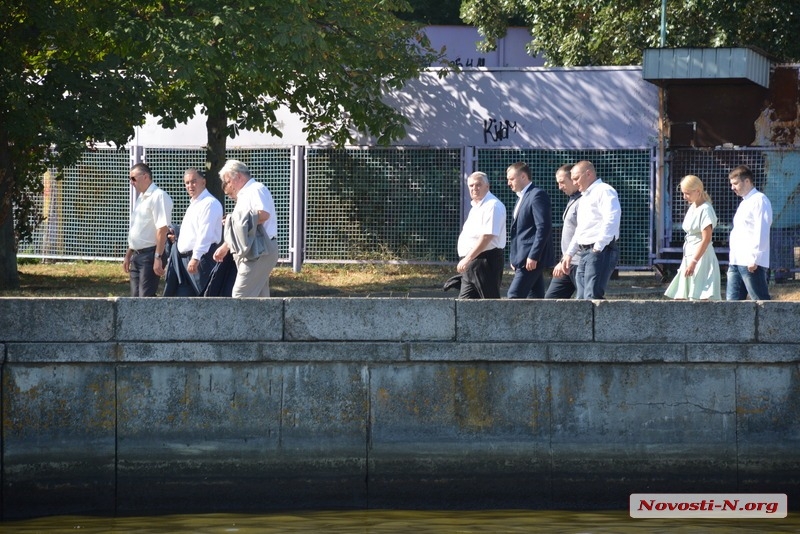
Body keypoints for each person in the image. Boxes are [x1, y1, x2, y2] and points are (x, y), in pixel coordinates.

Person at [212, 159, 279, 297]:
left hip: (259, 250)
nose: (227, 186)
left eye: (228, 181)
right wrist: (226, 247)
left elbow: (264, 214)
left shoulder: (255, 189)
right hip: (255, 250)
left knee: (240, 296)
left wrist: (233, 220)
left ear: (238, 176)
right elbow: (245, 227)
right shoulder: (246, 194)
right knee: (260, 298)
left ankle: (235, 320)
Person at [559, 160, 621, 299]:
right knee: (581, 298)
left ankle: (600, 321)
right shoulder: (585, 196)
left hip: (599, 250)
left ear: (588, 174)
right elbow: (581, 229)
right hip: (585, 252)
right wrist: (569, 254)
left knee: (592, 296)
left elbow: (611, 219)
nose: (574, 183)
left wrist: (598, 247)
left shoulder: (604, 190)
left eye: (576, 178)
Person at [164, 168, 224, 296]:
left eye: (194, 182)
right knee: (183, 300)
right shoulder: (194, 204)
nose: (190, 186)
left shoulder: (209, 203)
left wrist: (195, 258)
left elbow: (205, 234)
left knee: (205, 299)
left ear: (204, 182)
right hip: (184, 259)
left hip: (201, 259)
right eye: (187, 183)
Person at [664, 175, 721, 300]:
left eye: (687, 193)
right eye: (683, 193)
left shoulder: (706, 209)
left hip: (701, 257)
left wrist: (694, 262)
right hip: (689, 254)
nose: (684, 197)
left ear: (698, 191)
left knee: (702, 296)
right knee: (686, 295)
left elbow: (706, 239)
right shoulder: (693, 207)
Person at [123, 163, 173, 297]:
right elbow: (138, 229)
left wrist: (158, 257)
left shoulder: (159, 196)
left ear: (145, 176)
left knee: (145, 299)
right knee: (134, 299)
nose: (131, 182)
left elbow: (162, 229)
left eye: (133, 178)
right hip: (137, 255)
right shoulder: (141, 197)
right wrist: (129, 254)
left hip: (150, 254)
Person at [506, 162, 554, 299]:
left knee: (513, 295)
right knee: (536, 297)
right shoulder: (522, 197)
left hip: (530, 258)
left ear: (523, 176)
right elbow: (520, 231)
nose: (509, 183)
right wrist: (514, 257)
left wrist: (533, 256)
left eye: (511, 179)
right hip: (522, 257)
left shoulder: (537, 195)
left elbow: (543, 227)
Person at [455, 171, 507, 299]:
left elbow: (487, 236)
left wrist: (467, 258)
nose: (474, 188)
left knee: (488, 303)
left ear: (487, 186)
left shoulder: (492, 205)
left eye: (478, 185)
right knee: (465, 304)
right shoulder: (477, 206)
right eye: (471, 186)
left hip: (485, 261)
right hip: (473, 263)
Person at [726, 165, 772, 300]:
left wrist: (755, 257)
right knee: (731, 305)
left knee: (760, 302)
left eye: (735, 183)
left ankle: (769, 322)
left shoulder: (759, 200)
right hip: (736, 260)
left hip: (750, 261)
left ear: (747, 181)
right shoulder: (744, 202)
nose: (732, 187)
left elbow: (761, 230)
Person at [545, 164, 580, 299]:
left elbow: (582, 232)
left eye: (562, 182)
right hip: (567, 262)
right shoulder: (573, 199)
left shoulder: (585, 200)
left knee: (588, 300)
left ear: (573, 179)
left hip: (580, 262)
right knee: (550, 300)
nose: (560, 187)